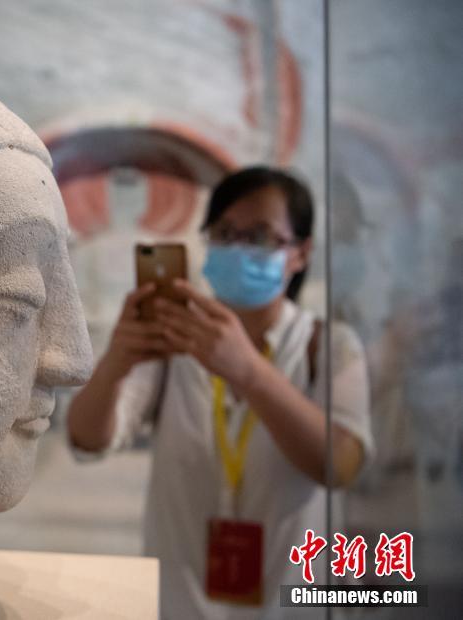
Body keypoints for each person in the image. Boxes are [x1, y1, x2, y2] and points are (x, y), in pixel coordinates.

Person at [67, 166, 373, 619]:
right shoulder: (173, 341)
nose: (238, 247)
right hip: (181, 603)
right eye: (225, 232)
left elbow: (341, 465)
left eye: (261, 236)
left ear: (301, 253)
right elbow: (88, 439)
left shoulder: (330, 346)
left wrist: (249, 371)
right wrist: (116, 360)